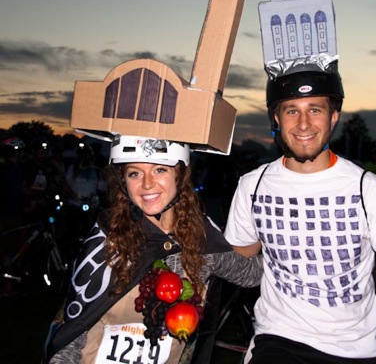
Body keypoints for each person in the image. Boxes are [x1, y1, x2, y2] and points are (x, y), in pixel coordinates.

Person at [224, 69, 376, 364]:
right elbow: (237, 255)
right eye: (292, 111)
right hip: (280, 339)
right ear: (277, 118)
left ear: (333, 117)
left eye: (315, 109)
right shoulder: (253, 185)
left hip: (356, 347)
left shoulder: (369, 190)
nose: (303, 123)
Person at [45, 135, 262, 363]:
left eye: (160, 170)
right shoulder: (107, 239)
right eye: (134, 173)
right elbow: (74, 330)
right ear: (122, 181)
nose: (147, 184)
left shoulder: (202, 241)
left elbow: (252, 273)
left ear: (179, 174)